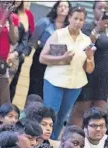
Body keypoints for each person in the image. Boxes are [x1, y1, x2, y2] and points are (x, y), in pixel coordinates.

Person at [40, 6, 95, 140]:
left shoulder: (87, 40)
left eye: (81, 19)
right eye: (75, 18)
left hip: (75, 84)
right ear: (69, 17)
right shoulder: (58, 34)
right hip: (54, 81)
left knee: (61, 117)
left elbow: (89, 69)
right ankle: (41, 142)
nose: (78, 22)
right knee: (50, 115)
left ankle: (51, 143)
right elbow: (42, 58)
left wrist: (90, 57)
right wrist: (62, 58)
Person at [69, 0, 108, 127]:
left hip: (105, 77)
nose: (103, 11)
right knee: (82, 109)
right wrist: (98, 28)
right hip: (89, 73)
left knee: (99, 112)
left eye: (106, 9)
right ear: (94, 10)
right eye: (100, 8)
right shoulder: (88, 27)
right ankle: (72, 136)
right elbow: (85, 45)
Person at [28, 0, 71, 98]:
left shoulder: (68, 27)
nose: (63, 8)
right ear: (56, 8)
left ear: (69, 11)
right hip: (41, 58)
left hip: (58, 61)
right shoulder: (45, 22)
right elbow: (33, 39)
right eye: (61, 6)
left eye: (65, 6)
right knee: (35, 89)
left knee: (48, 92)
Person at [9, 0, 35, 101]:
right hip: (2, 52)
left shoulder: (27, 15)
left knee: (10, 87)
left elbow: (28, 37)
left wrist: (20, 53)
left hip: (16, 56)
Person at [0, 1, 19, 106]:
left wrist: (10, 22)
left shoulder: (14, 17)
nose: (8, 4)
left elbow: (14, 40)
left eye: (10, 2)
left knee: (5, 102)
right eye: (5, 2)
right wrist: (2, 18)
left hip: (2, 63)